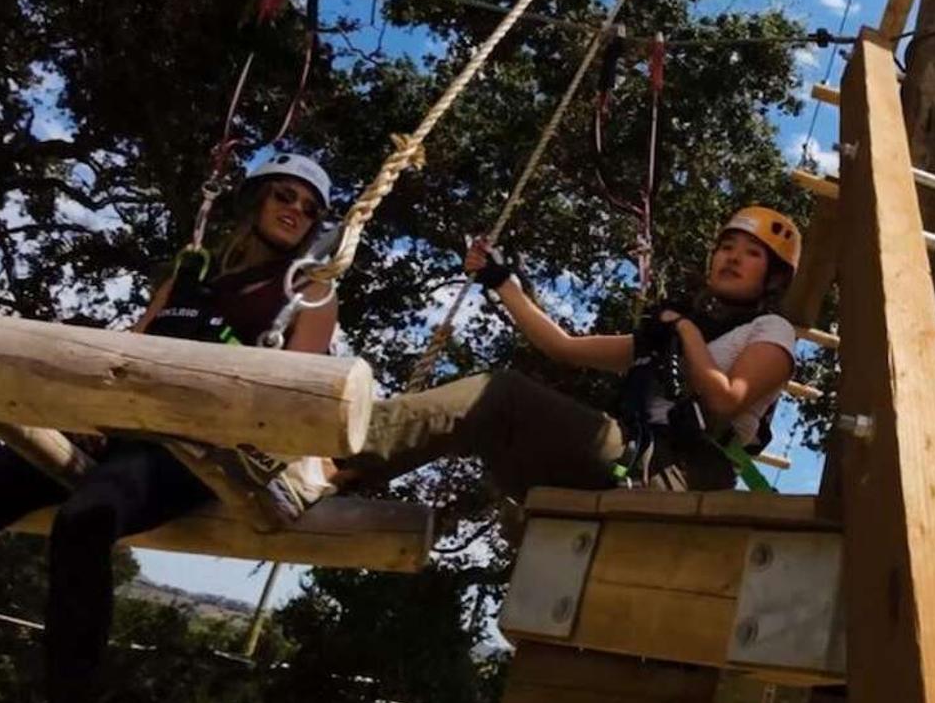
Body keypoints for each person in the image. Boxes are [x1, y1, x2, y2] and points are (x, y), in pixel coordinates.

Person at [0, 152, 342, 703]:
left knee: (86, 519)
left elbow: (302, 397)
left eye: (309, 209)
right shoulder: (189, 275)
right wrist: (85, 419)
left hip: (197, 454)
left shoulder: (307, 292)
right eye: (285, 196)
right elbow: (128, 354)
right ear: (254, 199)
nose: (296, 212)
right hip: (123, 430)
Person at [333, 204, 801, 499]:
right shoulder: (673, 336)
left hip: (682, 473)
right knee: (497, 429)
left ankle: (335, 450)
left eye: (751, 253)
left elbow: (724, 399)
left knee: (503, 396)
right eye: (726, 247)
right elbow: (562, 346)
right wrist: (502, 284)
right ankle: (341, 479)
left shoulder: (772, 330)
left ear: (774, 277)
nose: (732, 257)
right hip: (635, 460)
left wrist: (686, 332)